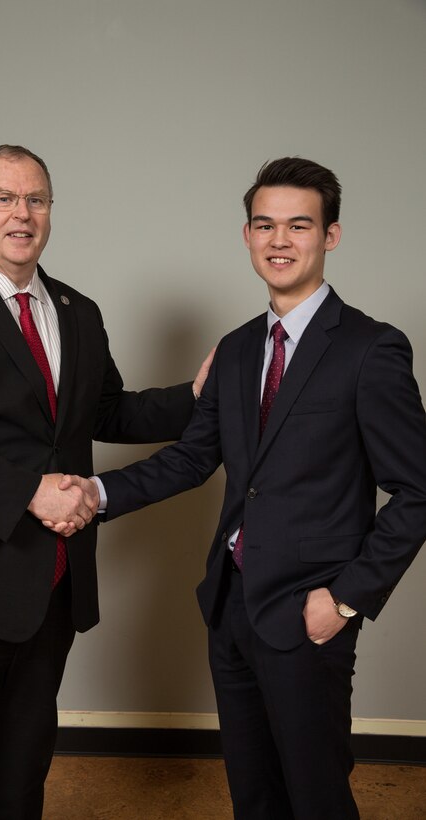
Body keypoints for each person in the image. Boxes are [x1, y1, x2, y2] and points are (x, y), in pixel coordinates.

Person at [63, 157, 426, 819]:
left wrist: (343, 599)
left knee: (314, 796)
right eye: (264, 225)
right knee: (253, 796)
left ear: (330, 236)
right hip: (228, 605)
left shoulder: (371, 350)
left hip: (308, 610)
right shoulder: (233, 350)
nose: (279, 240)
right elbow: (190, 461)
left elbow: (417, 491)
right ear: (246, 235)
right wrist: (93, 492)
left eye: (297, 225)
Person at [0, 144, 213, 819]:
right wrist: (28, 490)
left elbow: (105, 411)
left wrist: (199, 393)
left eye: (35, 199)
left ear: (50, 212)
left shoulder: (76, 310)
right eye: (3, 198)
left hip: (46, 586)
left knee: (19, 778)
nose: (20, 213)